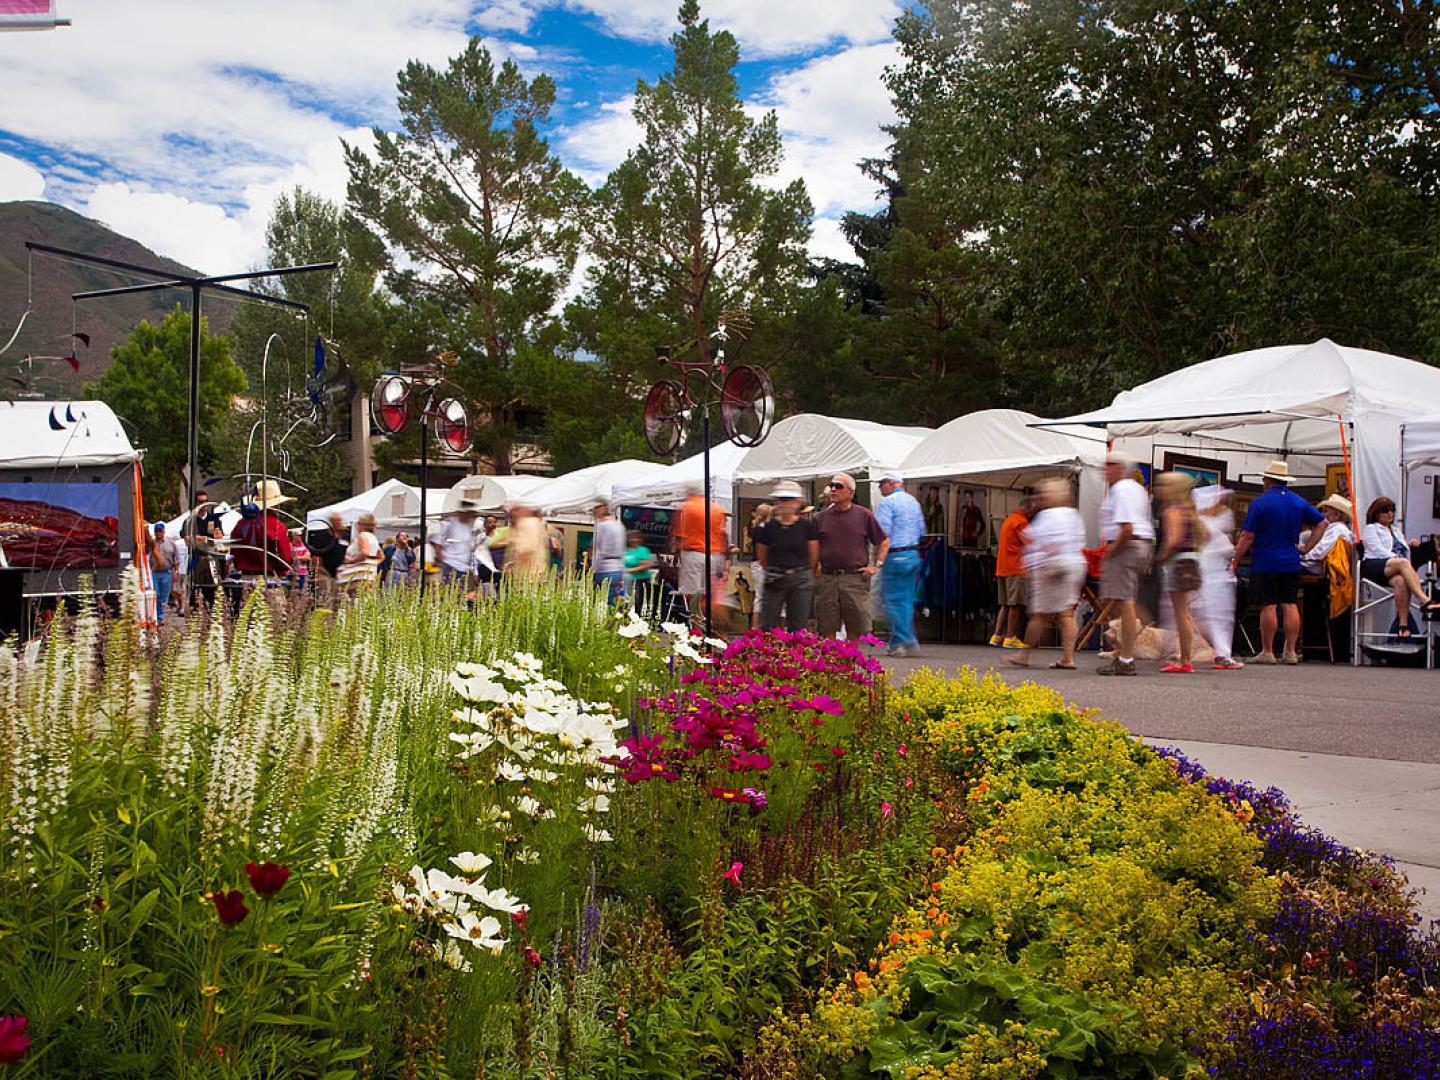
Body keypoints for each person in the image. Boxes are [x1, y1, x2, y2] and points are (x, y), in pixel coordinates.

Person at [1230, 460, 1323, 664]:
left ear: (1267, 481)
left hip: (1265, 561)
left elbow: (1248, 536)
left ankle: (1268, 651)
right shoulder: (1298, 502)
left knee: (1268, 605)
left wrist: (1236, 559)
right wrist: (1307, 548)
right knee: (1289, 604)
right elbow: (1322, 522)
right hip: (1291, 560)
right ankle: (1290, 651)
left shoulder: (1260, 503)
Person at [1007, 478, 1085, 669]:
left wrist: (1029, 564)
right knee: (1066, 613)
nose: (1041, 498)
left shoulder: (1047, 515)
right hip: (1074, 565)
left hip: (1050, 567)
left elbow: (1037, 541)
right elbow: (1079, 541)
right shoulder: (1073, 515)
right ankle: (1068, 657)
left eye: (1044, 494)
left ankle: (1024, 655)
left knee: (1038, 614)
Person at [1098, 455, 1156, 676]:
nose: (1106, 469)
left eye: (1111, 465)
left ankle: (1126, 658)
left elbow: (1127, 527)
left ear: (1122, 468)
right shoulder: (1137, 489)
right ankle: (1127, 650)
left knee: (1124, 601)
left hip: (1126, 544)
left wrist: (1113, 549)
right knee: (1124, 599)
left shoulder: (1120, 489)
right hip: (1138, 544)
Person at [812, 472, 889, 640]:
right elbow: (813, 547)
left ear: (851, 493)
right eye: (832, 486)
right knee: (827, 627)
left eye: (838, 486)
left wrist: (877, 565)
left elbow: (883, 541)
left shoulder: (864, 515)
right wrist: (813, 570)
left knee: (855, 627)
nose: (833, 489)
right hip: (827, 578)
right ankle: (830, 665)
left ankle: (850, 663)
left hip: (855, 578)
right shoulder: (820, 518)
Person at [1359, 496, 1439, 636]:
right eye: (1385, 510)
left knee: (1400, 581)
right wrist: (1398, 559)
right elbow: (1378, 550)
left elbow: (1400, 549)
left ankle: (1403, 626)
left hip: (1392, 567)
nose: (1390, 513)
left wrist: (1409, 545)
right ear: (1376, 513)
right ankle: (1424, 600)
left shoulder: (1396, 530)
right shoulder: (1371, 529)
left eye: (1392, 510)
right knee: (1402, 563)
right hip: (1374, 565)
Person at [1154, 472, 1204, 674]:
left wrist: (1161, 556)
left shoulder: (1172, 511)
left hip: (1177, 563)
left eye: (1164, 485)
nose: (1160, 489)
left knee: (1181, 613)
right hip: (1191, 560)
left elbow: (1173, 540)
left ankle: (1185, 659)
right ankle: (1186, 656)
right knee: (1186, 612)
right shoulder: (1189, 511)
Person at [753, 481, 818, 632]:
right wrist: (772, 569)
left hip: (800, 577)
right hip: (774, 576)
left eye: (789, 499)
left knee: (798, 623)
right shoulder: (768, 527)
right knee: (768, 622)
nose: (785, 503)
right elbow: (762, 555)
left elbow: (813, 554)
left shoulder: (806, 526)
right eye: (781, 499)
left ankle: (795, 654)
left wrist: (806, 573)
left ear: (797, 503)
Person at [875, 472, 925, 656]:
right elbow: (921, 531)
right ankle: (896, 642)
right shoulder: (913, 502)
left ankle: (907, 640)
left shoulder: (887, 504)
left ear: (890, 484)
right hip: (913, 554)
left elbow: (882, 534)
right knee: (905, 600)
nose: (879, 488)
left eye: (881, 484)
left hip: (895, 555)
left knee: (893, 601)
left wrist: (878, 561)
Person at [1193, 486, 1243, 669]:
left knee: (1217, 616)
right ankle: (1220, 652)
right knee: (1214, 616)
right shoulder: (1205, 522)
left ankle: (1221, 652)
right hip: (1210, 575)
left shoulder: (1214, 520)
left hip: (1215, 575)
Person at [673, 483, 729, 629]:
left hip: (694, 554)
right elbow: (724, 535)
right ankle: (718, 627)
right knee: (710, 595)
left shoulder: (686, 508)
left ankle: (696, 630)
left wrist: (676, 557)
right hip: (715, 555)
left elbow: (679, 537)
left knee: (693, 595)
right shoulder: (716, 508)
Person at [990, 497, 1034, 647]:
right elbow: (1031, 543)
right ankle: (1010, 637)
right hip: (1015, 568)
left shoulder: (1008, 520)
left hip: (1001, 568)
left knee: (1004, 604)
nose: (1033, 512)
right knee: (1015, 605)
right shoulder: (1021, 522)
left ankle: (996, 636)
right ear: (1026, 509)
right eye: (1032, 510)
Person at [230, 480, 294, 579]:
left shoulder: (241, 524)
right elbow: (284, 558)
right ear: (276, 505)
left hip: (245, 578)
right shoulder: (276, 525)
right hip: (269, 579)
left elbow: (234, 551)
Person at [1299, 494, 1354, 575]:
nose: (1321, 514)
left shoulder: (1337, 529)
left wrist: (1301, 557)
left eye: (1325, 511)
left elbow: (1319, 553)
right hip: (1315, 566)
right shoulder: (1336, 528)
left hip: (1314, 568)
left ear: (1336, 515)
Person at [437, 499, 481, 589]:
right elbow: (438, 542)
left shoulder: (471, 527)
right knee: (450, 594)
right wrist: (442, 559)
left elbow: (472, 550)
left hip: (465, 568)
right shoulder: (449, 524)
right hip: (451, 565)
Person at [591, 501, 627, 605]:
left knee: (601, 602)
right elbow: (624, 549)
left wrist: (592, 570)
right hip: (618, 569)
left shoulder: (602, 526)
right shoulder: (620, 525)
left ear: (598, 510)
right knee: (615, 601)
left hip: (604, 569)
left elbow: (600, 551)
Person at [337, 512, 383, 592]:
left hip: (358, 575)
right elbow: (381, 556)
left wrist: (352, 560)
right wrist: (371, 563)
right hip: (370, 574)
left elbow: (365, 552)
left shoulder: (363, 535)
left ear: (363, 524)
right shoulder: (373, 538)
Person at [147, 521, 182, 624]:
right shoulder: (152, 544)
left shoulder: (171, 543)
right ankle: (157, 616)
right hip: (155, 572)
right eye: (156, 531)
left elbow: (177, 559)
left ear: (164, 531)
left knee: (164, 596)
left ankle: (161, 616)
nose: (158, 533)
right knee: (155, 594)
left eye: (160, 531)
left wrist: (175, 571)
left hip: (167, 572)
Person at [505, 504, 550, 581]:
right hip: (526, 576)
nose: (511, 513)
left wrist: (510, 564)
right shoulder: (523, 524)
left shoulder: (528, 523)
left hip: (530, 577)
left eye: (515, 510)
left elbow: (525, 549)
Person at [747, 503, 772, 629]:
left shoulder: (756, 527)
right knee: (761, 595)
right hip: (760, 564)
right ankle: (756, 626)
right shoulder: (762, 529)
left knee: (759, 595)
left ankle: (756, 625)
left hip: (756, 563)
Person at [623, 529, 659, 616]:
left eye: (636, 538)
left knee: (637, 601)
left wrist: (629, 570)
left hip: (639, 581)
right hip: (625, 582)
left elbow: (646, 566)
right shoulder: (625, 551)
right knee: (625, 601)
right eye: (631, 538)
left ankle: (636, 617)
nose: (634, 540)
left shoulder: (642, 550)